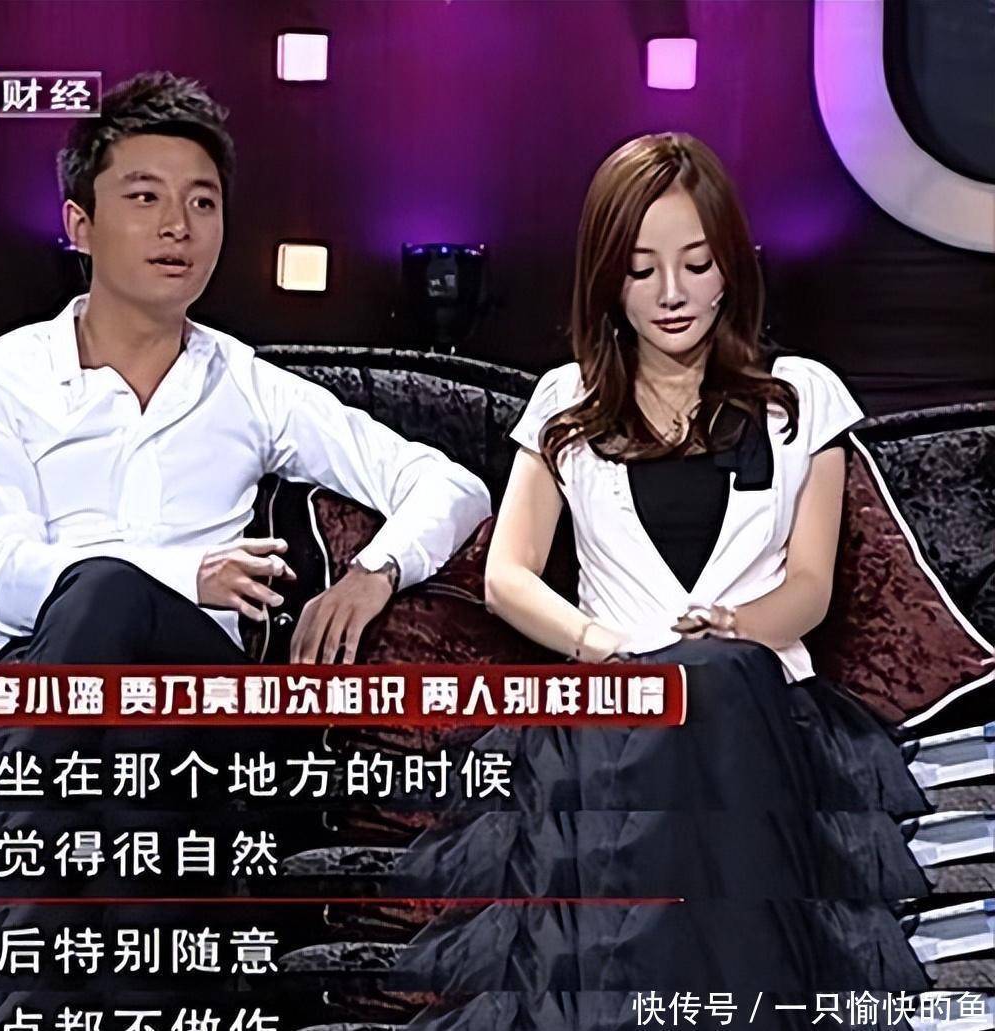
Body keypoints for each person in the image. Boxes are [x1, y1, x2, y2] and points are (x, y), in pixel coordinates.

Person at [391, 132, 930, 995]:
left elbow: (809, 588)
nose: (672, 293)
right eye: (641, 270)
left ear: (731, 268)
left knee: (718, 681)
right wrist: (604, 648)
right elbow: (507, 575)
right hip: (617, 705)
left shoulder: (802, 395)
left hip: (763, 707)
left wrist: (735, 629)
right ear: (608, 280)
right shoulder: (566, 401)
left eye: (696, 263)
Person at [0, 72, 490, 669]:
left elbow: (451, 486)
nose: (179, 226)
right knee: (103, 595)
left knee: (115, 603)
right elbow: (3, 578)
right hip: (38, 669)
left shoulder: (249, 387)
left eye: (202, 202)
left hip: (193, 689)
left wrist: (374, 572)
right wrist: (185, 575)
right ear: (80, 227)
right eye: (145, 198)